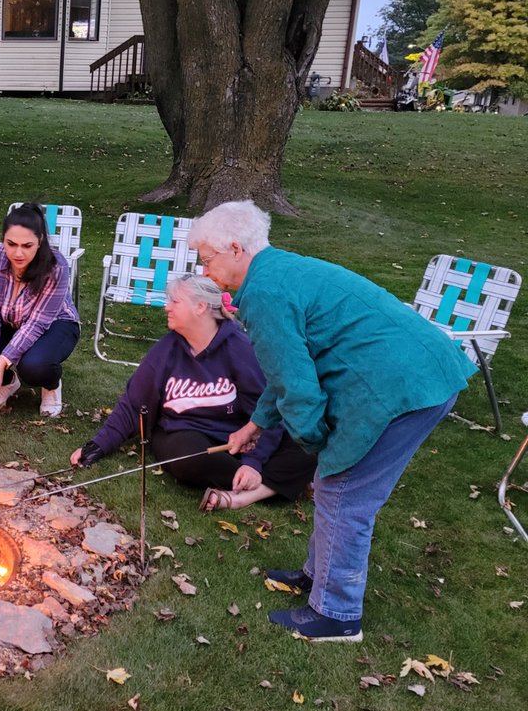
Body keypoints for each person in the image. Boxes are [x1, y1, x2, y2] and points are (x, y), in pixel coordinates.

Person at [189, 200, 476, 643]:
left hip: (400, 387)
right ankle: (318, 577)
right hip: (419, 371)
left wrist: (312, 440)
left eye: (207, 260)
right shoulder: (276, 270)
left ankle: (337, 615)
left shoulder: (264, 293)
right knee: (336, 484)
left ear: (235, 248)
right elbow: (286, 367)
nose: (205, 272)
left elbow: (298, 386)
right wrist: (256, 425)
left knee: (344, 488)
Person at [69, 275, 315, 509]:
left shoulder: (241, 349)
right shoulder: (166, 351)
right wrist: (97, 446)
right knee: (188, 458)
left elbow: (265, 411)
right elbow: (134, 406)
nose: (167, 307)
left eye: (175, 302)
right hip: (184, 435)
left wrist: (253, 462)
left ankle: (245, 495)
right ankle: (269, 483)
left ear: (201, 307)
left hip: (238, 439)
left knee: (310, 438)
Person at [0, 203, 79, 417]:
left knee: (33, 366)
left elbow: (36, 324)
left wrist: (2, 362)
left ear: (40, 242)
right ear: (3, 239)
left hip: (55, 324)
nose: (18, 252)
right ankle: (7, 383)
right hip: (10, 321)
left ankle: (51, 384)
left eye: (27, 245)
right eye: (11, 244)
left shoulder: (56, 267)